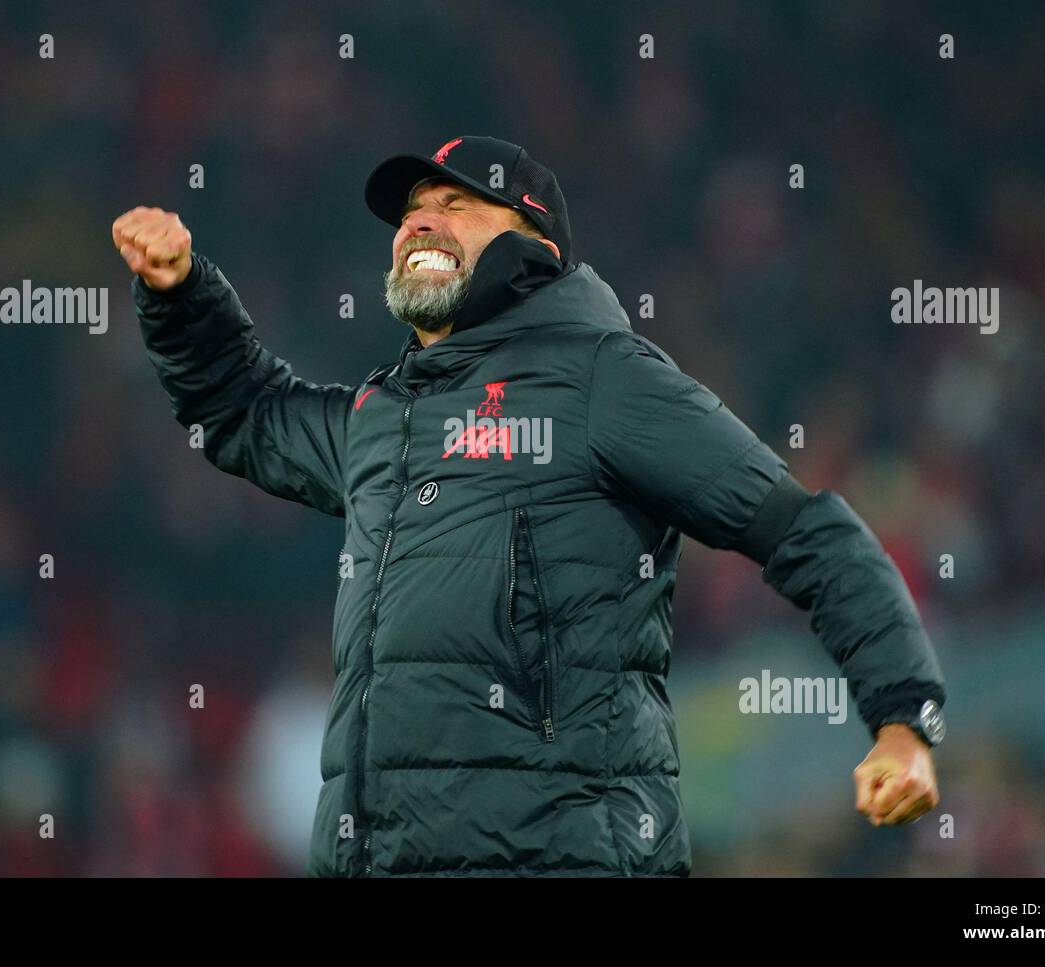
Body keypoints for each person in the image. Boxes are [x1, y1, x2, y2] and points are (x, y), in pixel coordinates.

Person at [112, 135, 947, 877]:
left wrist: (902, 716)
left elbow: (800, 530)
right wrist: (181, 292)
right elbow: (243, 412)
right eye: (410, 213)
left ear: (533, 242)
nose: (417, 224)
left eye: (454, 205)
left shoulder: (604, 378)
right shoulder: (381, 417)